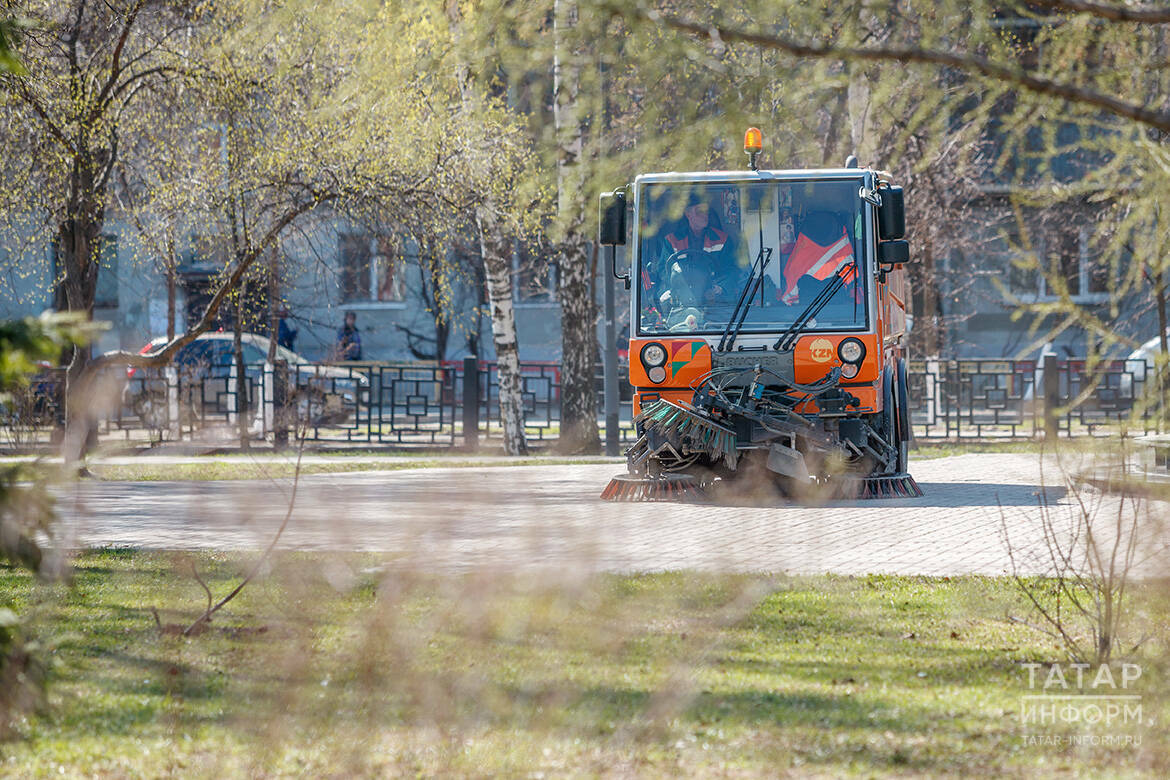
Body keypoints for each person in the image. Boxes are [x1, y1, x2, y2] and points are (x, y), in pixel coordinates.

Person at [779, 211, 858, 307]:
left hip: (806, 315)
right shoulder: (844, 251)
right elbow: (853, 283)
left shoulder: (798, 257)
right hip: (839, 312)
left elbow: (790, 295)